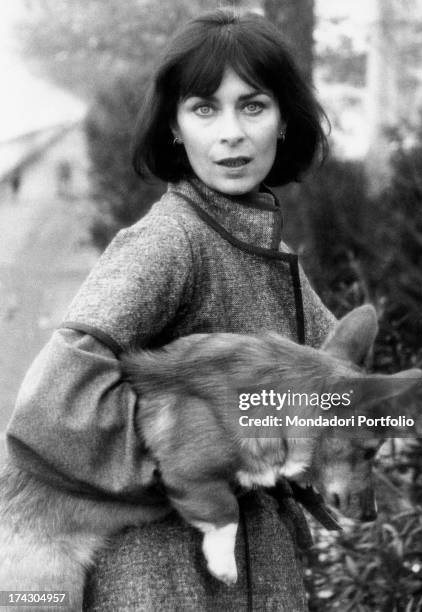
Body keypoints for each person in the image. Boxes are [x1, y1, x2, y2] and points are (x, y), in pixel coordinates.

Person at [6, 9, 336, 611]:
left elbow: (333, 389)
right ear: (176, 129)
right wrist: (195, 456)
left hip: (259, 563)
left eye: (254, 106)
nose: (231, 132)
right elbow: (51, 406)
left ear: (285, 120)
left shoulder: (269, 251)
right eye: (204, 108)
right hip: (160, 573)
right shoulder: (169, 242)